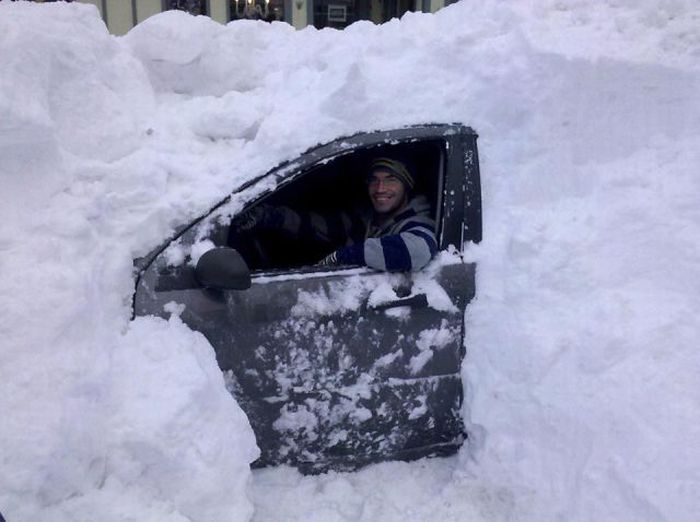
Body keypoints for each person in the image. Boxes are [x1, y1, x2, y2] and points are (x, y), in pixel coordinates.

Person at [233, 157, 438, 272]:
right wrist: (267, 215)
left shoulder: (417, 222)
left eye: (391, 179)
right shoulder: (366, 218)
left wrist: (342, 256)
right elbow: (317, 225)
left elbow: (417, 252)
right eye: (374, 180)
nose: (380, 188)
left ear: (407, 185)